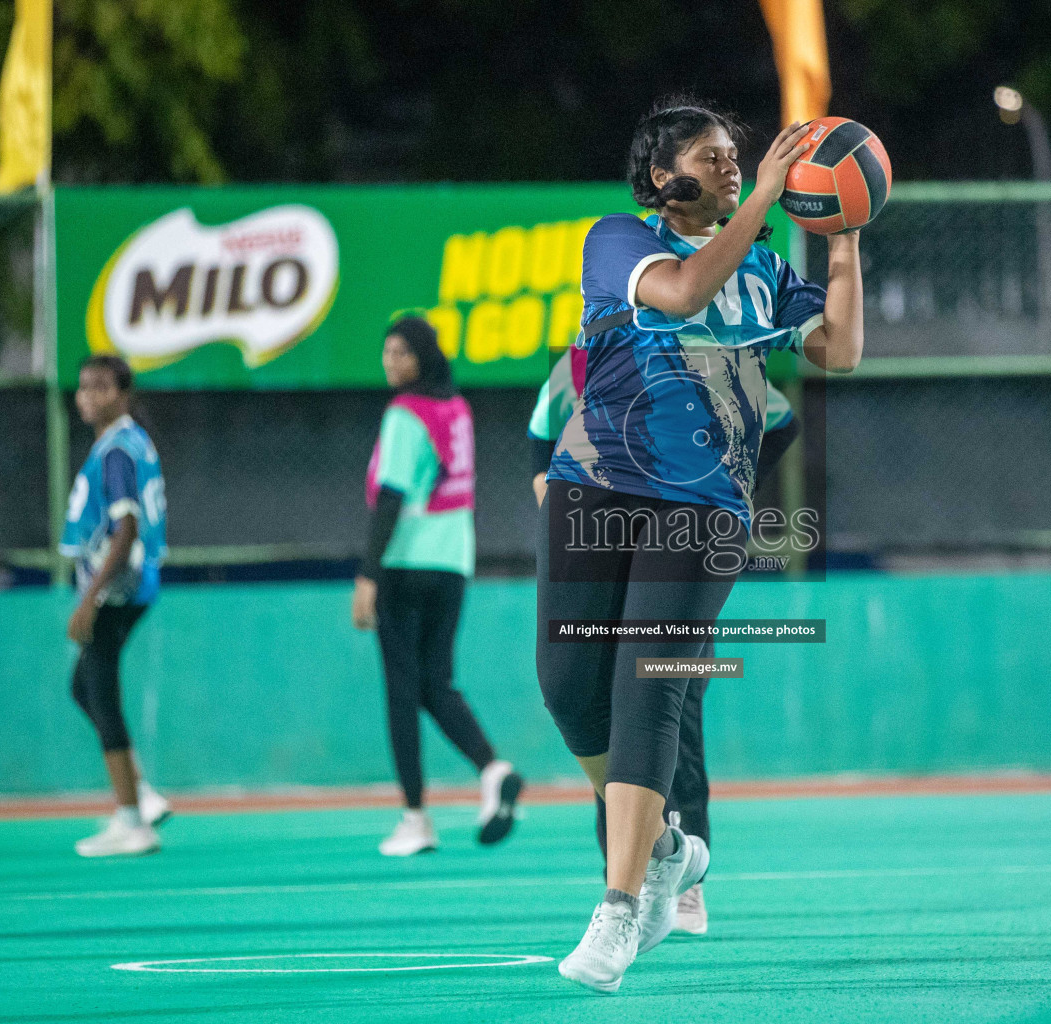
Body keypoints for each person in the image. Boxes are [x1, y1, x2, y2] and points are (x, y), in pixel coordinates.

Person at [537, 97, 863, 992]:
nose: (732, 165)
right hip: (594, 485)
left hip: (705, 505)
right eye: (712, 156)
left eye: (737, 155)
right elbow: (682, 293)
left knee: (651, 686)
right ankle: (673, 846)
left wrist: (844, 237)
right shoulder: (616, 239)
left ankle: (618, 907)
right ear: (659, 178)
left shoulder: (760, 268)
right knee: (567, 688)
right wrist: (761, 198)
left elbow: (838, 348)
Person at [528, 343, 802, 935]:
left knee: (672, 710)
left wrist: (734, 481)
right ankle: (627, 872)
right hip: (599, 555)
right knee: (598, 713)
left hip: (676, 556)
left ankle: (687, 888)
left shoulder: (710, 358)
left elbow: (780, 419)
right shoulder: (577, 364)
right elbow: (537, 444)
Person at [353, 316, 523, 856]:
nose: (391, 361)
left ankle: (415, 816)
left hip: (405, 562)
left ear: (423, 357)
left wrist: (366, 575)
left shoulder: (405, 414)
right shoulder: (457, 409)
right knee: (434, 683)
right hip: (452, 563)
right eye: (386, 351)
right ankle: (493, 769)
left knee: (401, 692)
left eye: (401, 352)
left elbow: (392, 497)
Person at [60, 355, 171, 858]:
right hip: (130, 583)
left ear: (123, 394)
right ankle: (140, 796)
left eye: (102, 387)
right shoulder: (123, 443)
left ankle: (132, 820)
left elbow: (126, 529)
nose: (89, 396)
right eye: (83, 388)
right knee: (85, 686)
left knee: (100, 690)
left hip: (119, 586)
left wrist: (91, 597)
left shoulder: (118, 452)